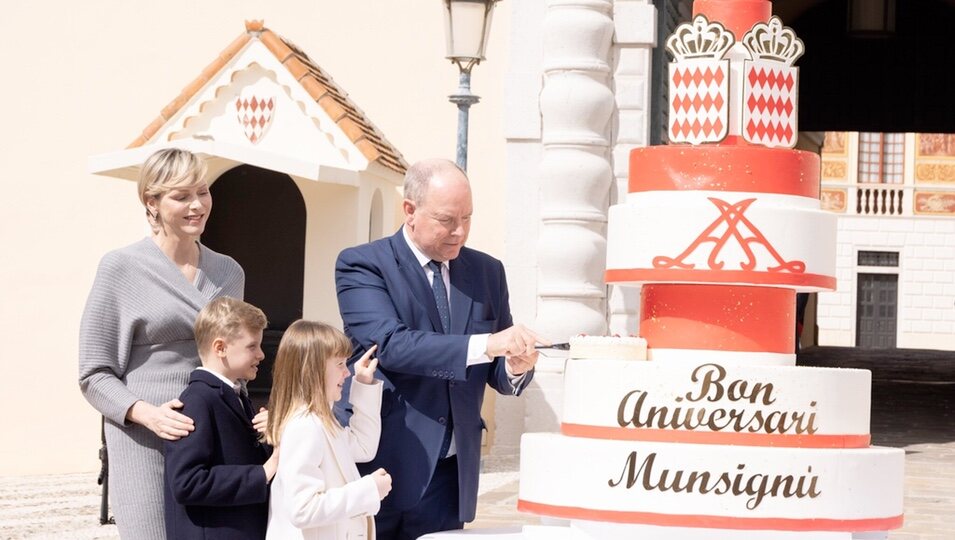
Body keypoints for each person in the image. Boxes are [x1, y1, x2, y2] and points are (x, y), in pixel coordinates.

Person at [335, 158, 546, 539]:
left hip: (450, 476)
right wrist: (489, 343)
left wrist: (516, 365)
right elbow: (393, 345)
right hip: (380, 465)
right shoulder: (363, 265)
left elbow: (495, 368)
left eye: (468, 218)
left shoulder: (487, 272)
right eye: (447, 220)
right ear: (410, 210)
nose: (460, 232)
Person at [78, 148, 245, 539]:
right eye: (181, 196)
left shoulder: (228, 272)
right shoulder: (121, 267)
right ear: (151, 201)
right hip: (145, 443)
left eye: (202, 192)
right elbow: (94, 373)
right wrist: (147, 414)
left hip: (214, 439)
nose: (197, 205)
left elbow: (235, 359)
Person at [163, 296, 278, 539]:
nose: (261, 355)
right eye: (252, 346)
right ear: (220, 348)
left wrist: (273, 437)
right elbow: (187, 482)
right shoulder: (197, 401)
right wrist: (262, 473)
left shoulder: (234, 395)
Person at [266, 321, 391, 540]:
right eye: (340, 364)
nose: (346, 373)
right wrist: (368, 490)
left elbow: (363, 446)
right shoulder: (304, 426)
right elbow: (302, 509)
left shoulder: (321, 421)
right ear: (312, 368)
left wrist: (363, 384)